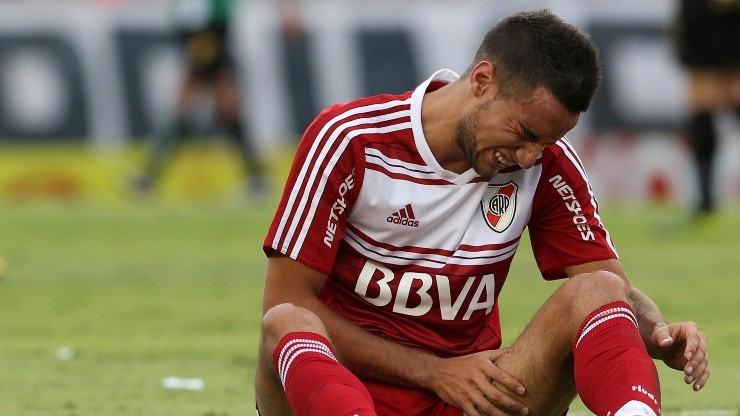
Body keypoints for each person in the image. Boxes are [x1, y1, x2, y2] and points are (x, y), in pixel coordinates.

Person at [256, 10, 710, 416]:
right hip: (339, 388)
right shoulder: (349, 140)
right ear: (481, 81)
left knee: (599, 289)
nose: (530, 157)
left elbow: (615, 294)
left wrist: (659, 333)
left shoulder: (547, 163)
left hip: (471, 395)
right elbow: (287, 302)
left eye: (545, 143)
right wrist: (433, 372)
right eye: (524, 132)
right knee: (285, 323)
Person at [131, 0, 267, 199]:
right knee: (209, 110)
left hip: (210, 41)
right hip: (200, 42)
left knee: (218, 109)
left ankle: (148, 178)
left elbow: (220, 18)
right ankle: (256, 178)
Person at [672, 0, 740, 217]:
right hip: (702, 62)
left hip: (731, 61)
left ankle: (705, 202)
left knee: (703, 132)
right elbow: (685, 23)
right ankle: (705, 200)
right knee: (702, 133)